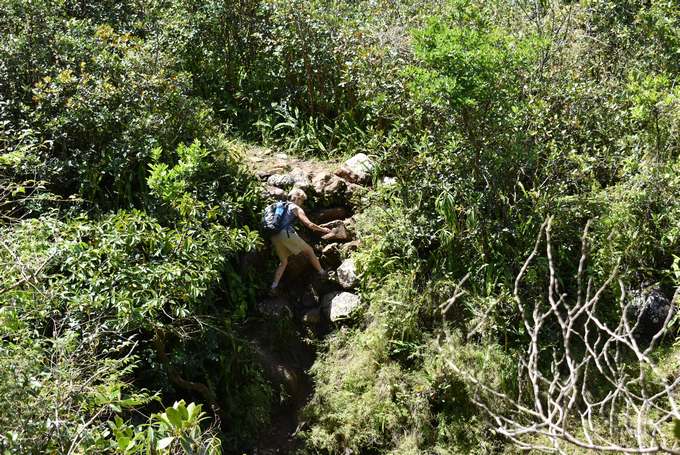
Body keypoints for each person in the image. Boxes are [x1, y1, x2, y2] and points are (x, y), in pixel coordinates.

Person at [270, 188, 331, 294]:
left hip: (273, 235)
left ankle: (273, 286)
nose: (302, 203)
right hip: (286, 234)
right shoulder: (296, 208)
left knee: (284, 262)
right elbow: (309, 224)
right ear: (298, 198)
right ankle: (322, 273)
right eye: (302, 200)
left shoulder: (279, 205)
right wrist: (323, 230)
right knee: (309, 250)